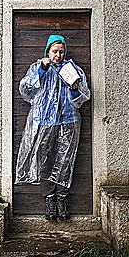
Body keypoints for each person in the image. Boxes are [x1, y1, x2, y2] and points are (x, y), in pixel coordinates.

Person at [15, 35, 90, 220]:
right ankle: (49, 200)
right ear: (47, 51)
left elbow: (82, 98)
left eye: (61, 51)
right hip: (45, 121)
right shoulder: (38, 67)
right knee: (46, 161)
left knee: (65, 160)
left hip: (68, 121)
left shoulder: (72, 69)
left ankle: (62, 199)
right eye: (54, 51)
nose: (58, 55)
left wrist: (73, 88)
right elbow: (26, 90)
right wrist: (42, 70)